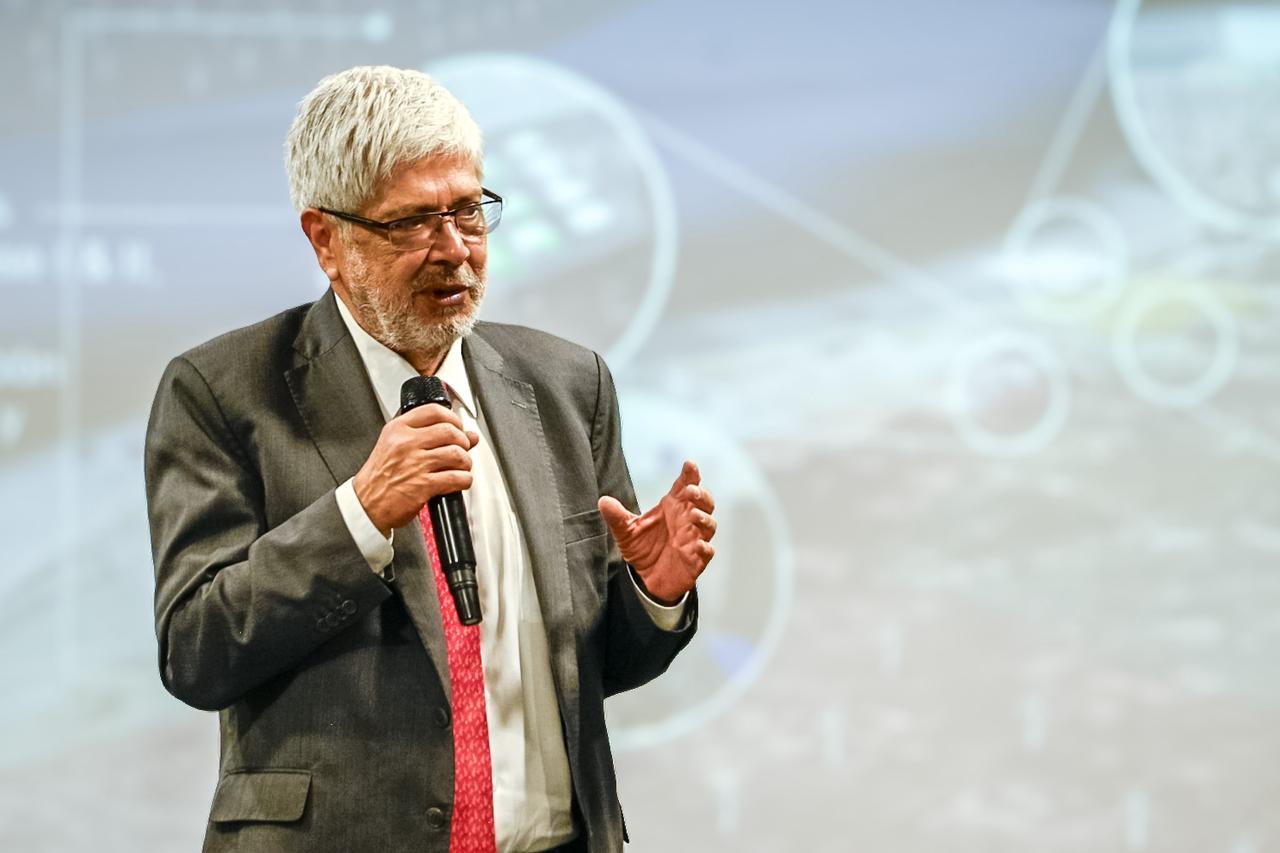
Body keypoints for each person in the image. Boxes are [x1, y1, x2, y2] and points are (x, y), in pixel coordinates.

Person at [144, 65, 716, 853]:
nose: (455, 251)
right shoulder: (224, 391)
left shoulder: (566, 384)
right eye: (413, 222)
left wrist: (652, 591)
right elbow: (196, 650)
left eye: (469, 211)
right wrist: (360, 514)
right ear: (325, 239)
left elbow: (591, 668)